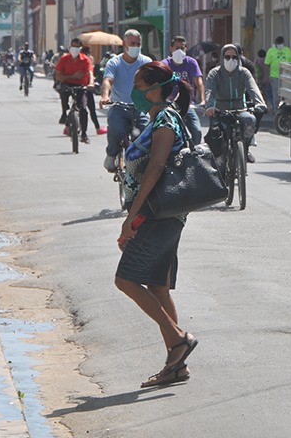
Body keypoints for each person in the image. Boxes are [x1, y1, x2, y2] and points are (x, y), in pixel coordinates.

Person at [114, 61, 198, 388]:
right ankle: (176, 364)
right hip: (161, 214)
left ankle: (178, 340)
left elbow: (156, 167)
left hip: (156, 214)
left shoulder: (165, 119)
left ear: (155, 88)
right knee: (158, 287)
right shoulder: (156, 118)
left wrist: (131, 216)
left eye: (139, 85)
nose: (134, 91)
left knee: (126, 281)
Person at [100, 30, 152, 171]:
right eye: (132, 43)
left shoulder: (146, 62)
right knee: (116, 130)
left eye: (138, 44)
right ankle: (111, 155)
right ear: (124, 44)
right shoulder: (114, 62)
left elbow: (155, 83)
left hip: (141, 106)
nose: (136, 46)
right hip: (119, 106)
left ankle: (145, 160)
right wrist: (105, 96)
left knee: (147, 130)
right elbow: (107, 80)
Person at [204, 43, 265, 163]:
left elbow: (253, 88)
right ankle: (219, 162)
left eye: (234, 57)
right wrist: (210, 106)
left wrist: (259, 103)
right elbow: (209, 91)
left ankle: (245, 149)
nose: (230, 60)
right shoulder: (214, 74)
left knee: (250, 120)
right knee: (217, 141)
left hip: (240, 108)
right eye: (227, 57)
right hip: (219, 110)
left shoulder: (244, 73)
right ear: (222, 58)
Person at [162, 35, 205, 145]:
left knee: (197, 131)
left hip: (187, 104)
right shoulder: (165, 64)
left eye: (182, 48)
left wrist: (203, 100)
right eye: (177, 48)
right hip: (169, 106)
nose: (180, 51)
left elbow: (199, 82)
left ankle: (194, 155)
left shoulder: (191, 63)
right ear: (171, 49)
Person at [55, 38, 94, 142]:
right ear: (70, 47)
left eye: (77, 47)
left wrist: (91, 83)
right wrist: (73, 76)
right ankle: (64, 112)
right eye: (73, 46)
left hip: (81, 85)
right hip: (67, 84)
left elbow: (90, 73)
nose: (75, 49)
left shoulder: (85, 59)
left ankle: (84, 134)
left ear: (80, 48)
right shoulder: (64, 59)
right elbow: (58, 76)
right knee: (63, 92)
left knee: (83, 110)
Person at [80, 44, 105, 135]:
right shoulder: (87, 61)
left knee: (85, 109)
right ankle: (97, 128)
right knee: (90, 109)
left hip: (85, 87)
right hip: (85, 87)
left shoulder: (86, 60)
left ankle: (97, 128)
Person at [264, 36, 291, 109]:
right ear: (276, 43)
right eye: (279, 43)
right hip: (274, 76)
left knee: (285, 95)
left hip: (285, 77)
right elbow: (267, 64)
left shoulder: (287, 50)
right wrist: (266, 76)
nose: (280, 45)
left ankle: (284, 110)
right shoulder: (271, 51)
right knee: (276, 95)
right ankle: (276, 110)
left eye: (281, 43)